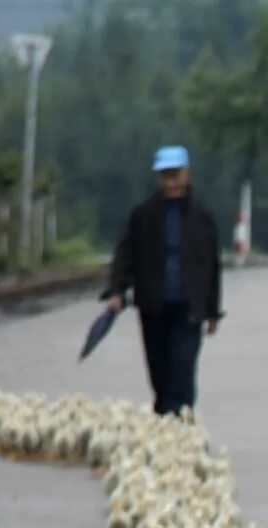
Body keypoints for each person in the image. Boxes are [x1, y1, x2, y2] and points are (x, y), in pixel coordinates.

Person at [102, 145, 224, 416]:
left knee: (182, 368)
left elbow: (212, 266)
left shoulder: (203, 217)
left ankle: (180, 424)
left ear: (186, 174)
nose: (170, 182)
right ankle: (163, 421)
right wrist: (116, 290)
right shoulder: (143, 215)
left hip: (188, 306)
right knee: (159, 371)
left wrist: (213, 311)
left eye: (175, 175)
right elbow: (125, 254)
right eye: (165, 176)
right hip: (153, 304)